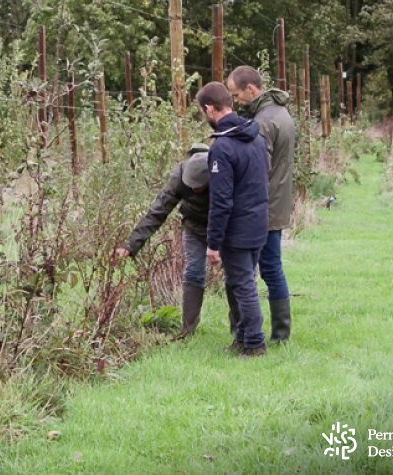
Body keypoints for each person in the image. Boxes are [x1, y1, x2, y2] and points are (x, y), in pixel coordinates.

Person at [197, 81, 270, 358]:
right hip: (258, 222)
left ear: (209, 108)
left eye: (203, 112)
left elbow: (221, 200)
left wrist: (213, 243)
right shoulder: (256, 136)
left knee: (244, 285)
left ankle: (254, 343)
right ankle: (241, 337)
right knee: (239, 281)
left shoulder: (223, 147)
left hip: (239, 228)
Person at [226, 66, 296, 343]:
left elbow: (257, 168)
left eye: (236, 95)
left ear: (250, 90)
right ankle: (280, 333)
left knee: (254, 270)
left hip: (263, 206)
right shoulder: (280, 112)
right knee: (271, 267)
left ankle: (252, 333)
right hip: (277, 202)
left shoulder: (264, 122)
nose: (235, 101)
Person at [115, 143, 211, 340]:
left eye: (201, 187)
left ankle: (240, 332)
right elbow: (157, 212)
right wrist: (131, 245)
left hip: (226, 228)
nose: (197, 189)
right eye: (193, 186)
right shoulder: (178, 179)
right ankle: (188, 330)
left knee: (236, 276)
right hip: (194, 228)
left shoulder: (224, 173)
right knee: (193, 272)